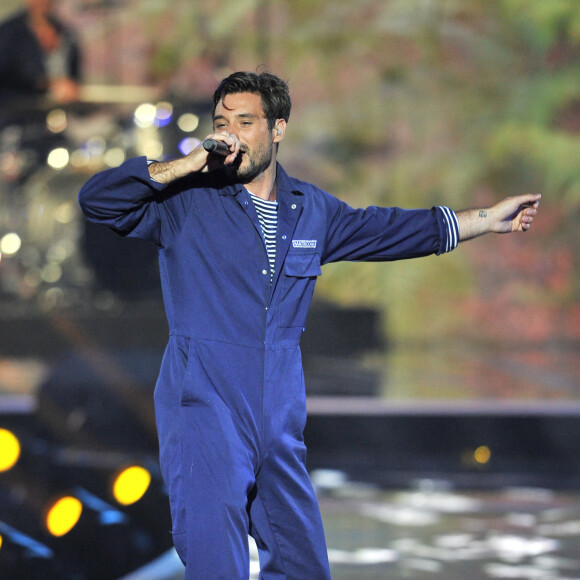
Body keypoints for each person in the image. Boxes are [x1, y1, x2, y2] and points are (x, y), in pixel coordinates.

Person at [78, 71, 540, 580]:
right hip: (205, 403)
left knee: (304, 565)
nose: (229, 134)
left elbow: (390, 230)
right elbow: (98, 201)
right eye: (221, 122)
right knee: (216, 563)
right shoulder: (185, 200)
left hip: (279, 410)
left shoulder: (311, 210)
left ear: (277, 129)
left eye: (246, 122)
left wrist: (485, 218)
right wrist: (185, 164)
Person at [0, 0, 81, 105]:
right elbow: (8, 75)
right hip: (19, 111)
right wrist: (49, 84)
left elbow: (74, 73)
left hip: (60, 110)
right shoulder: (9, 32)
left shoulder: (64, 32)